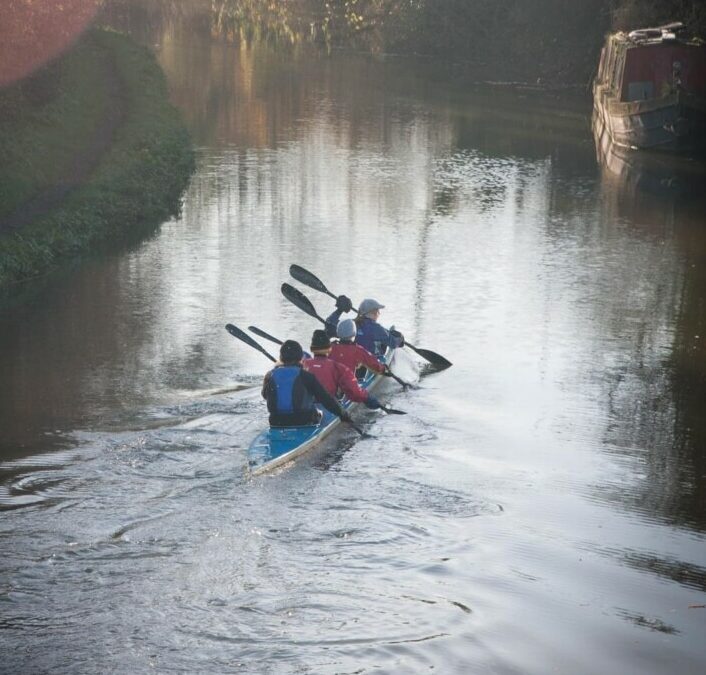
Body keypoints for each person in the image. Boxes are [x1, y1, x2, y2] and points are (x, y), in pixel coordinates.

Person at [262, 339, 352, 427]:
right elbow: (326, 399)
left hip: (276, 421)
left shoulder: (270, 375)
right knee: (319, 412)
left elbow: (265, 395)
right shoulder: (306, 376)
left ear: (281, 357)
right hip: (303, 421)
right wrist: (343, 414)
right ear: (301, 357)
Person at [302, 330, 383, 409]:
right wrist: (367, 398)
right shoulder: (340, 367)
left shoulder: (304, 363)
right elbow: (354, 392)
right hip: (333, 399)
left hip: (307, 403)